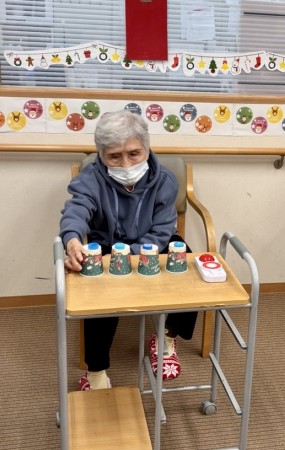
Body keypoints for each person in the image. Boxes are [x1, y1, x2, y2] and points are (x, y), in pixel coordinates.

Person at [60, 110, 197, 390]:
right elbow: (76, 210)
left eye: (134, 154)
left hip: (153, 242)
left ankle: (166, 337)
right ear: (101, 156)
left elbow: (162, 231)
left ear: (146, 147)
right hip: (107, 245)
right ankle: (96, 371)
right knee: (98, 294)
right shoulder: (90, 178)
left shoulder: (165, 180)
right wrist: (72, 240)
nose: (125, 164)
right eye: (114, 156)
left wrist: (132, 253)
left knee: (188, 266)